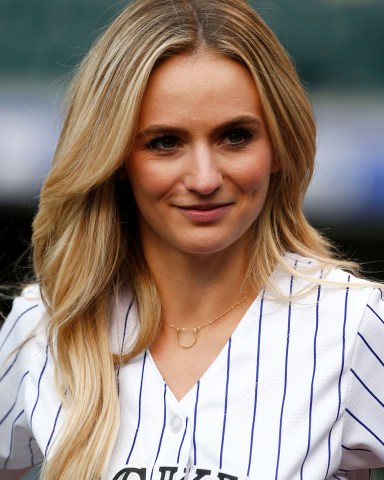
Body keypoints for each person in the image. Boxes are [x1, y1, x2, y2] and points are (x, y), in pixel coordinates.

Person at [1, 0, 384, 478]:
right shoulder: (44, 325)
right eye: (165, 142)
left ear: (280, 147)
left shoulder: (354, 326)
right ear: (117, 159)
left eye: (235, 136)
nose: (204, 178)